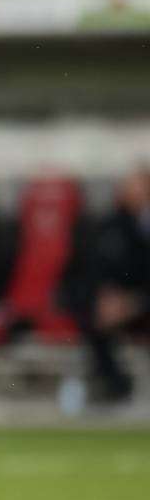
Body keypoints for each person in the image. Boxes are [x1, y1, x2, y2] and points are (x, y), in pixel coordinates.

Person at [79, 167, 150, 403]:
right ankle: (116, 388)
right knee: (93, 319)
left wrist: (135, 301)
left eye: (135, 185)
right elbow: (99, 265)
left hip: (141, 301)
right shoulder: (113, 224)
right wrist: (107, 296)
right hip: (119, 304)